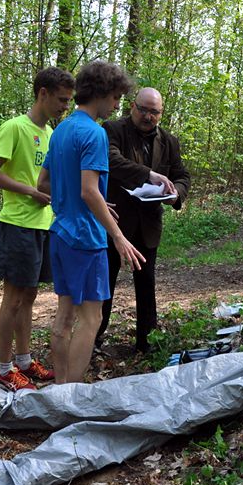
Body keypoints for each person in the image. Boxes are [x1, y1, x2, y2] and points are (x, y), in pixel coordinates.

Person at [37, 61, 146, 384]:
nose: (117, 105)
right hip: (86, 239)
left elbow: (44, 183)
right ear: (101, 94)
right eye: (116, 98)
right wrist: (118, 236)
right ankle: (71, 393)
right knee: (92, 317)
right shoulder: (95, 133)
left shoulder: (62, 129)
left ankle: (59, 389)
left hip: (59, 233)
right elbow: (88, 190)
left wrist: (86, 202)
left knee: (64, 316)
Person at [0, 67, 75, 391]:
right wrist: (30, 191)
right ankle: (5, 369)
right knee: (14, 299)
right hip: (17, 224)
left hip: (44, 224)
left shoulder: (51, 134)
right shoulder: (15, 127)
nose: (65, 106)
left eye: (69, 101)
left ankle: (24, 361)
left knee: (31, 296)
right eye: (61, 100)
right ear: (43, 93)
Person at [95, 87, 191, 353]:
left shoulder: (169, 141)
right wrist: (149, 175)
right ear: (133, 107)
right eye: (144, 109)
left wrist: (176, 196)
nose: (148, 116)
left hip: (148, 224)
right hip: (114, 222)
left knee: (146, 285)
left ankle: (148, 342)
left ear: (161, 114)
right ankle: (93, 339)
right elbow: (112, 161)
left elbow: (182, 175)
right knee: (105, 284)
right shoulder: (112, 129)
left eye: (154, 112)